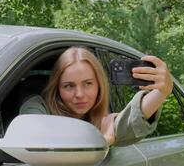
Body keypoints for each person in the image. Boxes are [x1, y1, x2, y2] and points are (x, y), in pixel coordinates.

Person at [19, 46, 173, 146]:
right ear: (57, 88)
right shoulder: (37, 107)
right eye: (68, 86)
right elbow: (38, 143)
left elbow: (132, 118)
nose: (79, 94)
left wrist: (162, 92)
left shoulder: (102, 121)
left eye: (88, 84)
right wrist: (103, 142)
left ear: (99, 85)